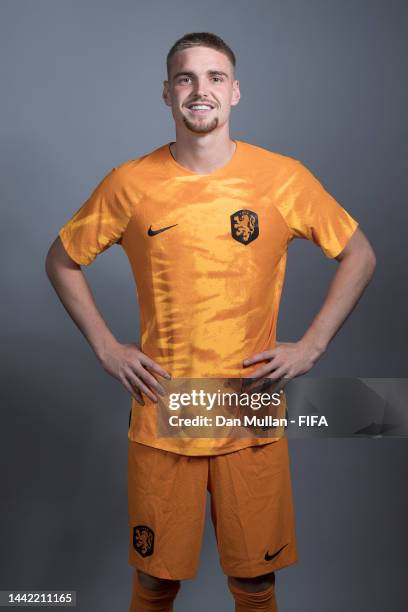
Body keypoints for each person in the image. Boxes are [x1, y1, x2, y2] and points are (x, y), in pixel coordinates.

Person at [45, 32, 376, 612]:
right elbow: (62, 259)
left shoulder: (281, 178)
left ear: (236, 92)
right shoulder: (130, 183)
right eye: (186, 78)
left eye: (215, 77)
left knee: (254, 584)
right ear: (168, 94)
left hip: (248, 410)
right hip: (163, 412)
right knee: (154, 585)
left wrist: (312, 346)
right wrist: (106, 347)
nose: (201, 90)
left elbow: (359, 255)